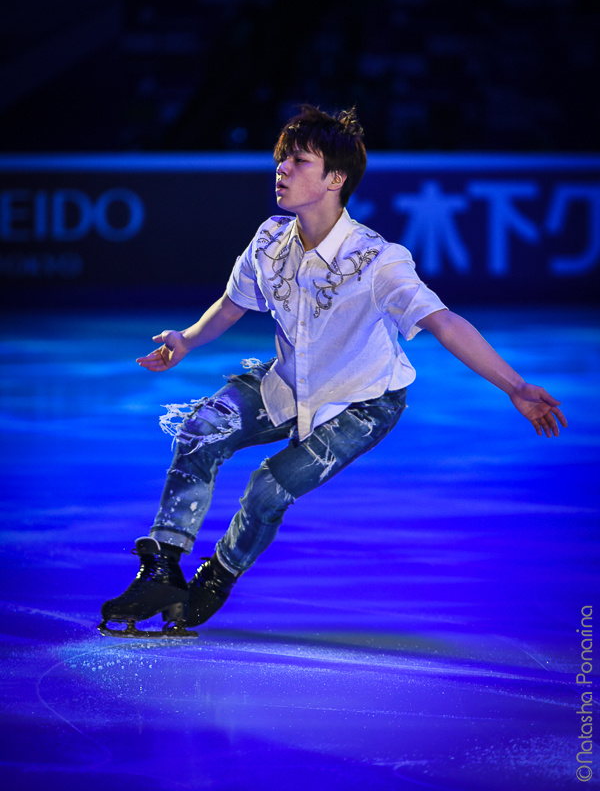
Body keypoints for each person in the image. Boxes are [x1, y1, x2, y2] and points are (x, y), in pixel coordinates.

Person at [99, 104, 567, 637]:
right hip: (290, 383)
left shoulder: (377, 259)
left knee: (267, 490)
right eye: (281, 159)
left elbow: (445, 323)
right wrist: (187, 339)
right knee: (202, 428)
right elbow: (232, 304)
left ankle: (217, 576)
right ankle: (162, 565)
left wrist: (517, 386)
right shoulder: (270, 240)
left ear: (335, 178)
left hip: (363, 404)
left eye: (298, 161)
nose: (282, 170)